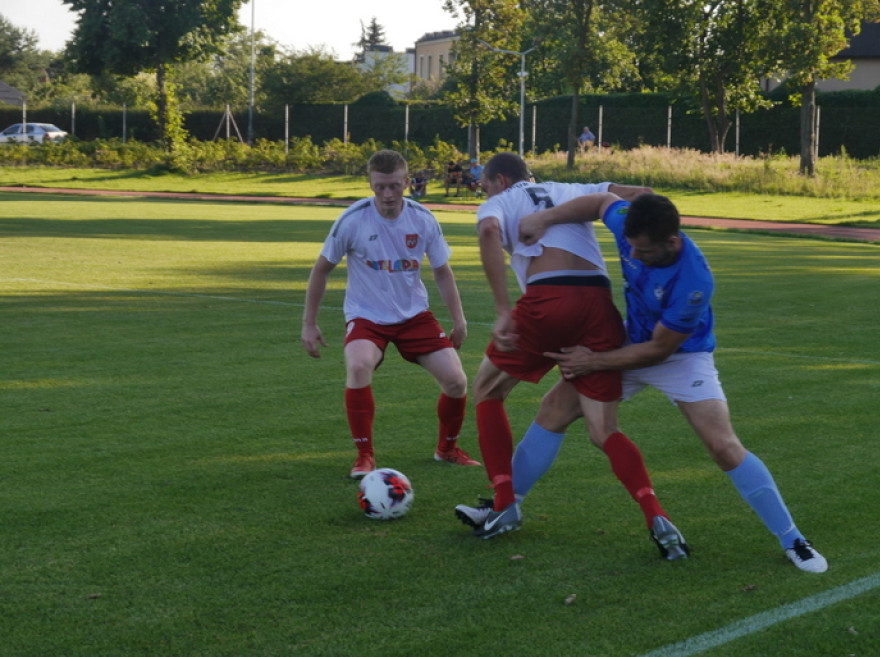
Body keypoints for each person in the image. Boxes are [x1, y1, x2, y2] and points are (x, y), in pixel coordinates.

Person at [516, 192, 828, 573]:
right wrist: (546, 217)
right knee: (553, 410)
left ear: (672, 242)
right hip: (630, 341)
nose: (633, 256)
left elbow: (659, 351)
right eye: (630, 247)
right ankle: (506, 504)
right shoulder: (634, 226)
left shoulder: (694, 281)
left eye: (642, 251)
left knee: (723, 446)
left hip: (681, 357)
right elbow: (601, 202)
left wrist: (593, 360)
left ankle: (793, 539)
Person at [455, 151, 688, 560]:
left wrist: (502, 308)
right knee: (603, 430)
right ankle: (658, 516)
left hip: (549, 298)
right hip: (599, 307)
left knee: (487, 390)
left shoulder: (498, 201)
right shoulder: (572, 189)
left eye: (485, 184)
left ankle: (504, 503)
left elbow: (489, 234)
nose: (483, 190)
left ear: (500, 180)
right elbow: (644, 195)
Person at [301, 149, 480, 479]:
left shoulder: (423, 219)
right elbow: (321, 270)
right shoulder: (352, 220)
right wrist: (309, 324)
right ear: (369, 183)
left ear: (407, 183)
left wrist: (459, 319)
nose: (387, 194)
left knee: (456, 380)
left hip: (414, 316)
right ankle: (365, 456)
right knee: (357, 365)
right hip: (367, 316)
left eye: (395, 186)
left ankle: (447, 450)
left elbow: (442, 272)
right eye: (380, 186)